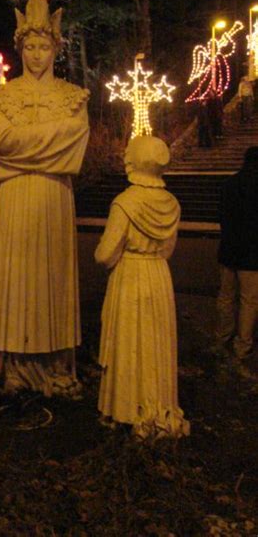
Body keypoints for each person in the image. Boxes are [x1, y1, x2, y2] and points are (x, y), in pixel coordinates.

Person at [0, 0, 90, 397]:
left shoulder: (71, 96)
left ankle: (55, 365)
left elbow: (75, 143)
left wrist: (21, 151)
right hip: (14, 204)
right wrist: (51, 143)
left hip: (53, 198)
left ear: (55, 48)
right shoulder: (3, 96)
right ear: (20, 48)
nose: (38, 54)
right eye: (31, 46)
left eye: (44, 46)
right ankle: (14, 364)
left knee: (52, 277)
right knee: (17, 275)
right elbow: (2, 143)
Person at [95, 136, 190, 439]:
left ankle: (126, 407)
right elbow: (168, 250)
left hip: (130, 276)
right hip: (158, 276)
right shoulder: (171, 203)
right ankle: (156, 404)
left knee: (129, 340)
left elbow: (105, 253)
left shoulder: (125, 202)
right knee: (155, 343)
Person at [216, 146, 258, 358]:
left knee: (226, 297)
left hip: (229, 250)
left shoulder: (229, 184)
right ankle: (243, 344)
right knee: (248, 300)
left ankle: (223, 336)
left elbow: (222, 215)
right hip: (252, 254)